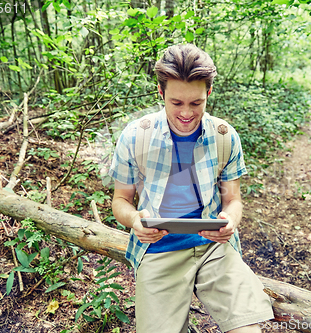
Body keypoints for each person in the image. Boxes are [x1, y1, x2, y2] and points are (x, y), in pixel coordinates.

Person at [108, 43, 273, 333]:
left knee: (247, 329)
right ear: (161, 93)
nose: (186, 113)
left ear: (208, 93)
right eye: (176, 103)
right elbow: (120, 200)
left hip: (214, 248)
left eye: (196, 103)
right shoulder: (135, 137)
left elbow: (233, 200)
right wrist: (135, 220)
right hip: (158, 250)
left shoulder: (225, 137)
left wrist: (229, 221)